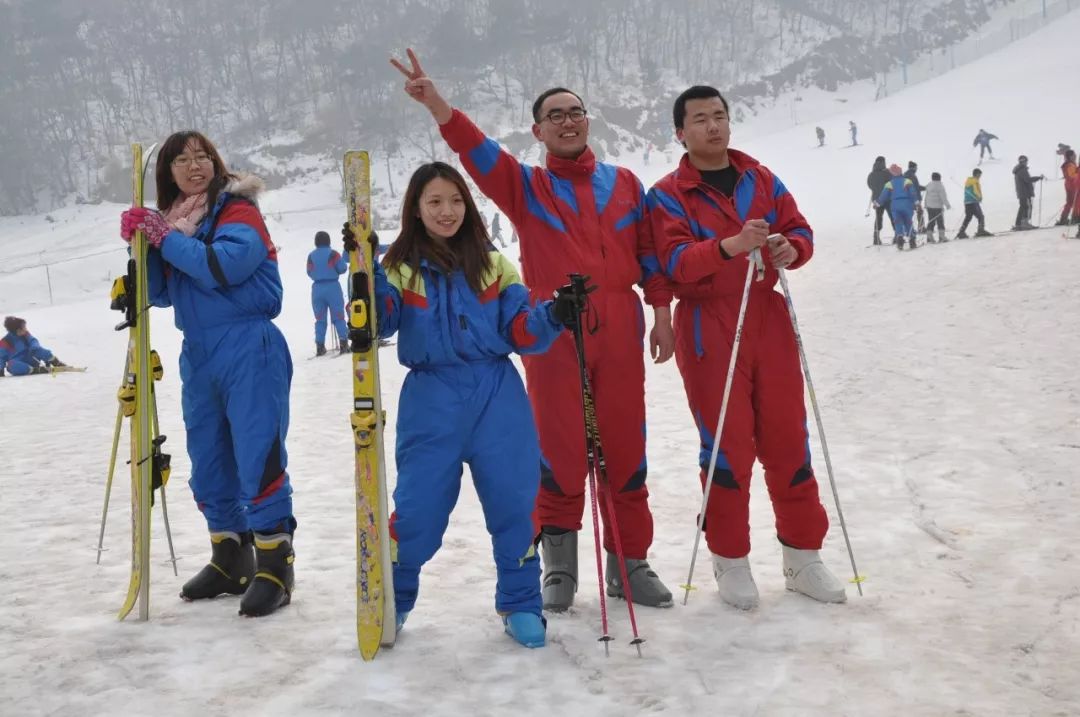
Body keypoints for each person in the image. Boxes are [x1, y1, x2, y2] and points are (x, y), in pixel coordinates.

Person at [390, 48, 677, 612]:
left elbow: (648, 255)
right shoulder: (524, 188)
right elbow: (475, 153)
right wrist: (438, 105)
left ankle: (631, 561)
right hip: (552, 329)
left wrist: (662, 312)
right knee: (559, 449)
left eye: (575, 111)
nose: (568, 121)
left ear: (587, 119)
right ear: (538, 130)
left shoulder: (625, 184)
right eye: (556, 115)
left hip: (619, 324)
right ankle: (559, 568)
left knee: (624, 443)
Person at [343, 162, 576, 648]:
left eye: (454, 201)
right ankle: (396, 600)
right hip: (431, 398)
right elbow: (380, 324)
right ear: (416, 210)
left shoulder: (494, 265)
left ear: (467, 206)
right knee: (418, 509)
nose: (446, 211)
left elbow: (520, 330)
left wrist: (554, 314)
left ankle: (520, 604)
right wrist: (363, 274)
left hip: (497, 396)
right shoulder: (399, 268)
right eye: (434, 202)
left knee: (515, 503)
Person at [647, 85, 846, 610]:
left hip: (767, 314)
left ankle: (803, 556)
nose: (712, 126)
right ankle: (730, 559)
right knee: (728, 446)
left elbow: (799, 229)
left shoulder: (761, 178)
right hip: (707, 324)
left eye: (719, 116)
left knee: (787, 437)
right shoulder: (669, 193)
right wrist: (731, 246)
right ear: (680, 132)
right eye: (700, 119)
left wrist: (789, 247)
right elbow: (672, 261)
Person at [118, 130, 295, 618]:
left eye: (202, 156)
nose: (194, 166)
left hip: (247, 343)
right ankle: (229, 557)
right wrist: (142, 251)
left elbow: (223, 266)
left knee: (257, 452)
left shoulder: (236, 210)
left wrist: (163, 237)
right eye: (181, 160)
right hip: (198, 352)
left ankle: (275, 563)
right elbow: (161, 293)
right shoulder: (177, 220)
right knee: (208, 456)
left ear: (215, 162)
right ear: (168, 173)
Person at [307, 230, 350, 355]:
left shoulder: (311, 255)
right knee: (338, 316)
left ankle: (320, 346)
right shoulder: (333, 254)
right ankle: (343, 343)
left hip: (317, 289)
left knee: (320, 318)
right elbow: (342, 268)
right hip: (332, 287)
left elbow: (309, 271)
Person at [0, 316, 67, 376]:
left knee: (38, 350)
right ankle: (34, 370)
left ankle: (55, 362)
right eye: (24, 327)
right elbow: (1, 357)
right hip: (19, 363)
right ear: (18, 330)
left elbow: (33, 340)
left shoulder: (25, 335)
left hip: (31, 357)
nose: (26, 329)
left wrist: (34, 346)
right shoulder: (5, 341)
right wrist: (1, 368)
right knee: (11, 365)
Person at [878, 164, 919, 250]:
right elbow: (913, 192)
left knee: (898, 222)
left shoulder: (889, 184)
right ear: (901, 172)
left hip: (895, 205)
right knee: (908, 222)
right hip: (907, 204)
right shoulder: (907, 181)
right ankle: (912, 240)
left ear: (892, 173)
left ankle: (900, 239)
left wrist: (877, 203)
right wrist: (916, 202)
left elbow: (884, 195)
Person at [956, 168, 992, 238]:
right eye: (979, 175)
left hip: (967, 202)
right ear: (977, 174)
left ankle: (961, 232)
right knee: (981, 216)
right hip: (973, 202)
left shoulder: (968, 181)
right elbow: (975, 190)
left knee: (968, 217)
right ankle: (980, 230)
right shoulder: (974, 181)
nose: (980, 176)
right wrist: (979, 197)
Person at [866, 156, 894, 245]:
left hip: (876, 199)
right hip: (887, 198)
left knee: (878, 218)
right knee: (893, 216)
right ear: (883, 162)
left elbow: (870, 185)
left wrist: (876, 189)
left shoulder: (871, 174)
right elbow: (892, 183)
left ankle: (876, 237)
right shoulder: (886, 173)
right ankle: (898, 235)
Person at [1011, 155, 1044, 230]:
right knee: (1026, 206)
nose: (1026, 163)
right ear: (1024, 162)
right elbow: (1027, 179)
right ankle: (1023, 222)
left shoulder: (1019, 170)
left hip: (1022, 192)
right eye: (1026, 161)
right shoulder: (1022, 170)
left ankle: (1019, 223)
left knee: (1023, 206)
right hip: (1024, 192)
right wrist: (1038, 178)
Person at [923, 172, 951, 243]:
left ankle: (929, 237)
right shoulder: (940, 186)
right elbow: (943, 197)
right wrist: (947, 205)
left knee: (931, 221)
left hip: (929, 207)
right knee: (940, 221)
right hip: (938, 207)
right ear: (939, 178)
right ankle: (942, 236)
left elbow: (926, 195)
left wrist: (926, 205)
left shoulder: (929, 185)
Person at [903, 161, 927, 233]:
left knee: (909, 214)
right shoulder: (912, 176)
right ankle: (921, 228)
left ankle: (908, 229)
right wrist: (925, 188)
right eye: (916, 167)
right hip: (914, 198)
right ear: (913, 167)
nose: (917, 169)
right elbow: (915, 187)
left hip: (906, 197)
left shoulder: (905, 175)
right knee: (919, 212)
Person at [1057, 149, 1077, 226]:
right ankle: (1073, 218)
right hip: (1072, 185)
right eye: (1074, 155)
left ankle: (1064, 218)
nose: (1075, 156)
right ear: (1071, 156)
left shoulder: (1070, 164)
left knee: (1071, 202)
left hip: (1070, 185)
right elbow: (1072, 175)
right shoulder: (1070, 165)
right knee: (1073, 202)